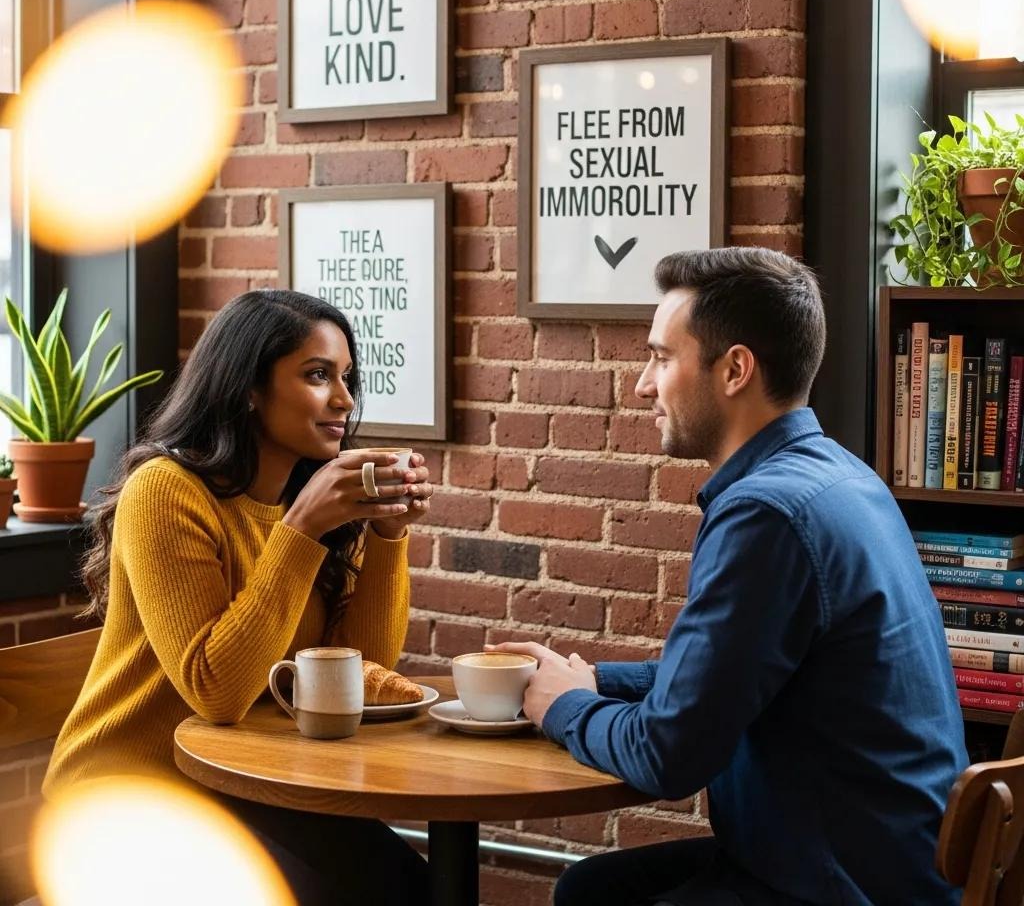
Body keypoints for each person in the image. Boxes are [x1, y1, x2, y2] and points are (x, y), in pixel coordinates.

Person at [494, 247, 967, 905]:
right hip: (890, 860)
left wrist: (561, 706)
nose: (642, 384)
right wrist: (594, 680)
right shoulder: (842, 476)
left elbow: (668, 756)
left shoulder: (765, 514)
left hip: (842, 883)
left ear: (735, 369)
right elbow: (735, 676)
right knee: (588, 889)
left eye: (662, 357)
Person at [44, 288, 433, 906]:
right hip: (132, 796)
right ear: (247, 388)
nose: (344, 399)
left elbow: (356, 675)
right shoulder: (166, 492)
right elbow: (217, 692)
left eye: (346, 377)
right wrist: (300, 530)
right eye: (316, 375)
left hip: (251, 783)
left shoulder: (307, 502)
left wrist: (388, 535)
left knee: (411, 887)